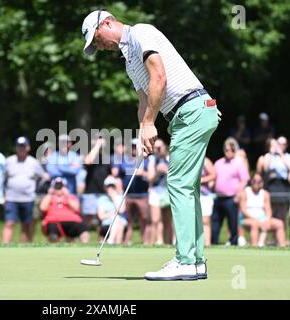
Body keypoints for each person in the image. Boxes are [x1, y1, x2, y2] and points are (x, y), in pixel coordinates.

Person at [82, 9, 219, 280]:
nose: (98, 46)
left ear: (106, 23)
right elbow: (144, 99)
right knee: (187, 187)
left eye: (96, 38)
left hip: (191, 110)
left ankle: (185, 260)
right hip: (185, 114)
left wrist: (149, 124)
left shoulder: (141, 33)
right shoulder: (129, 60)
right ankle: (196, 261)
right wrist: (143, 130)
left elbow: (160, 77)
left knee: (178, 185)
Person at [2, 136, 48, 244]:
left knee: (26, 224)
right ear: (16, 148)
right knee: (9, 223)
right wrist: (3, 195)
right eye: (19, 146)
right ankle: (3, 247)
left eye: (23, 146)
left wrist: (34, 189)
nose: (21, 149)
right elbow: (2, 179)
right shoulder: (9, 161)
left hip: (28, 199)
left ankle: (24, 248)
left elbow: (43, 177)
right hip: (11, 198)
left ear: (28, 148)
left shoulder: (33, 162)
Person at [212, 138, 250, 246]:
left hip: (231, 198)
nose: (228, 151)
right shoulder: (218, 163)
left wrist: (238, 194)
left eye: (231, 149)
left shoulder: (239, 163)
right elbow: (214, 178)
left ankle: (234, 243)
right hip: (218, 197)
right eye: (226, 149)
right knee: (215, 222)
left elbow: (244, 180)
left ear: (234, 150)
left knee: (233, 223)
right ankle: (213, 243)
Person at [115, 139, 150, 245]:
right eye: (133, 147)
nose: (134, 149)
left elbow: (151, 176)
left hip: (142, 195)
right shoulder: (124, 160)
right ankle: (126, 242)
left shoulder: (146, 160)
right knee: (129, 220)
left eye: (136, 147)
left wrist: (143, 173)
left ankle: (145, 242)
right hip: (128, 195)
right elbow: (119, 177)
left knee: (143, 219)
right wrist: (119, 192)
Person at [238, 174, 286, 247]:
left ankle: (283, 247)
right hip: (247, 219)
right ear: (251, 181)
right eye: (254, 181)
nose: (256, 183)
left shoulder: (265, 194)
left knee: (279, 223)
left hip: (263, 219)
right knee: (255, 224)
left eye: (259, 181)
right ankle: (255, 247)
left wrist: (267, 220)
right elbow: (244, 211)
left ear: (262, 182)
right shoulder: (244, 193)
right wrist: (256, 220)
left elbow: (268, 210)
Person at [39, 177, 89, 243]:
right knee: (52, 232)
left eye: (61, 186)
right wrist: (50, 193)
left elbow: (76, 208)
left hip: (71, 220)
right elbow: (43, 208)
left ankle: (84, 249)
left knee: (83, 229)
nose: (58, 188)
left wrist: (67, 195)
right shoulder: (49, 197)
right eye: (56, 186)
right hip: (53, 221)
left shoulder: (70, 196)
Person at [256, 137, 290, 222]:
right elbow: (266, 169)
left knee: (282, 214)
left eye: (283, 144)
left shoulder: (289, 156)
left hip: (283, 186)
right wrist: (271, 154)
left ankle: (282, 233)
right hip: (270, 185)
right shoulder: (269, 156)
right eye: (279, 143)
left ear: (286, 145)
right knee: (269, 212)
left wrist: (281, 155)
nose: (280, 146)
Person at [81, 136, 111, 228]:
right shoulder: (90, 154)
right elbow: (88, 161)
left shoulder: (108, 157)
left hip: (103, 192)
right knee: (88, 218)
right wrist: (97, 145)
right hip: (90, 191)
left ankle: (100, 241)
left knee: (102, 219)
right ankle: (84, 241)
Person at [147, 139, 173, 245]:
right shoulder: (152, 159)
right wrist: (157, 171)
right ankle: (154, 243)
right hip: (156, 192)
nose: (158, 150)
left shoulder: (171, 158)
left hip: (168, 191)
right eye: (155, 148)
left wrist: (167, 171)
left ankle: (167, 243)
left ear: (164, 147)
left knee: (168, 221)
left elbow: (177, 177)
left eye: (159, 147)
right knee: (155, 220)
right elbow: (150, 178)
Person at [96, 176, 127, 244]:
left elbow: (121, 211)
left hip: (119, 222)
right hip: (106, 223)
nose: (110, 189)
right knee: (117, 220)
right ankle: (113, 242)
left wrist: (114, 198)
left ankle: (111, 241)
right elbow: (101, 216)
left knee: (118, 221)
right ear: (105, 188)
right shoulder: (102, 199)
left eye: (112, 187)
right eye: (108, 187)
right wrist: (112, 214)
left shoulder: (119, 198)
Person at [200, 157, 216, 246]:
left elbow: (213, 175)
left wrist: (201, 180)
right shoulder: (188, 158)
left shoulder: (205, 160)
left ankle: (207, 244)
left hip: (205, 195)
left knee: (205, 221)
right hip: (192, 196)